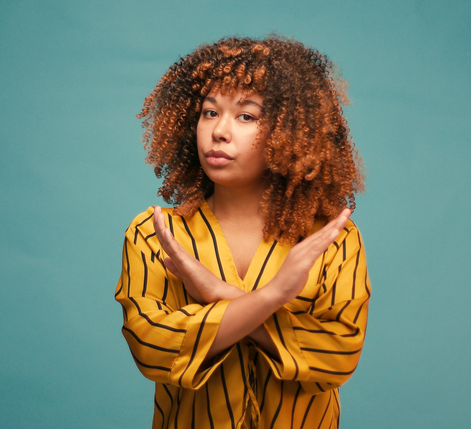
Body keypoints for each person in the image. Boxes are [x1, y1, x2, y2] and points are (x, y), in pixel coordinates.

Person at [115, 35, 371, 428]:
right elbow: (152, 346)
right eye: (209, 112)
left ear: (290, 133)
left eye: (246, 116)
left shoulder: (331, 240)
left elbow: (338, 356)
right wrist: (271, 298)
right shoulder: (155, 233)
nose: (219, 131)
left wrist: (221, 297)